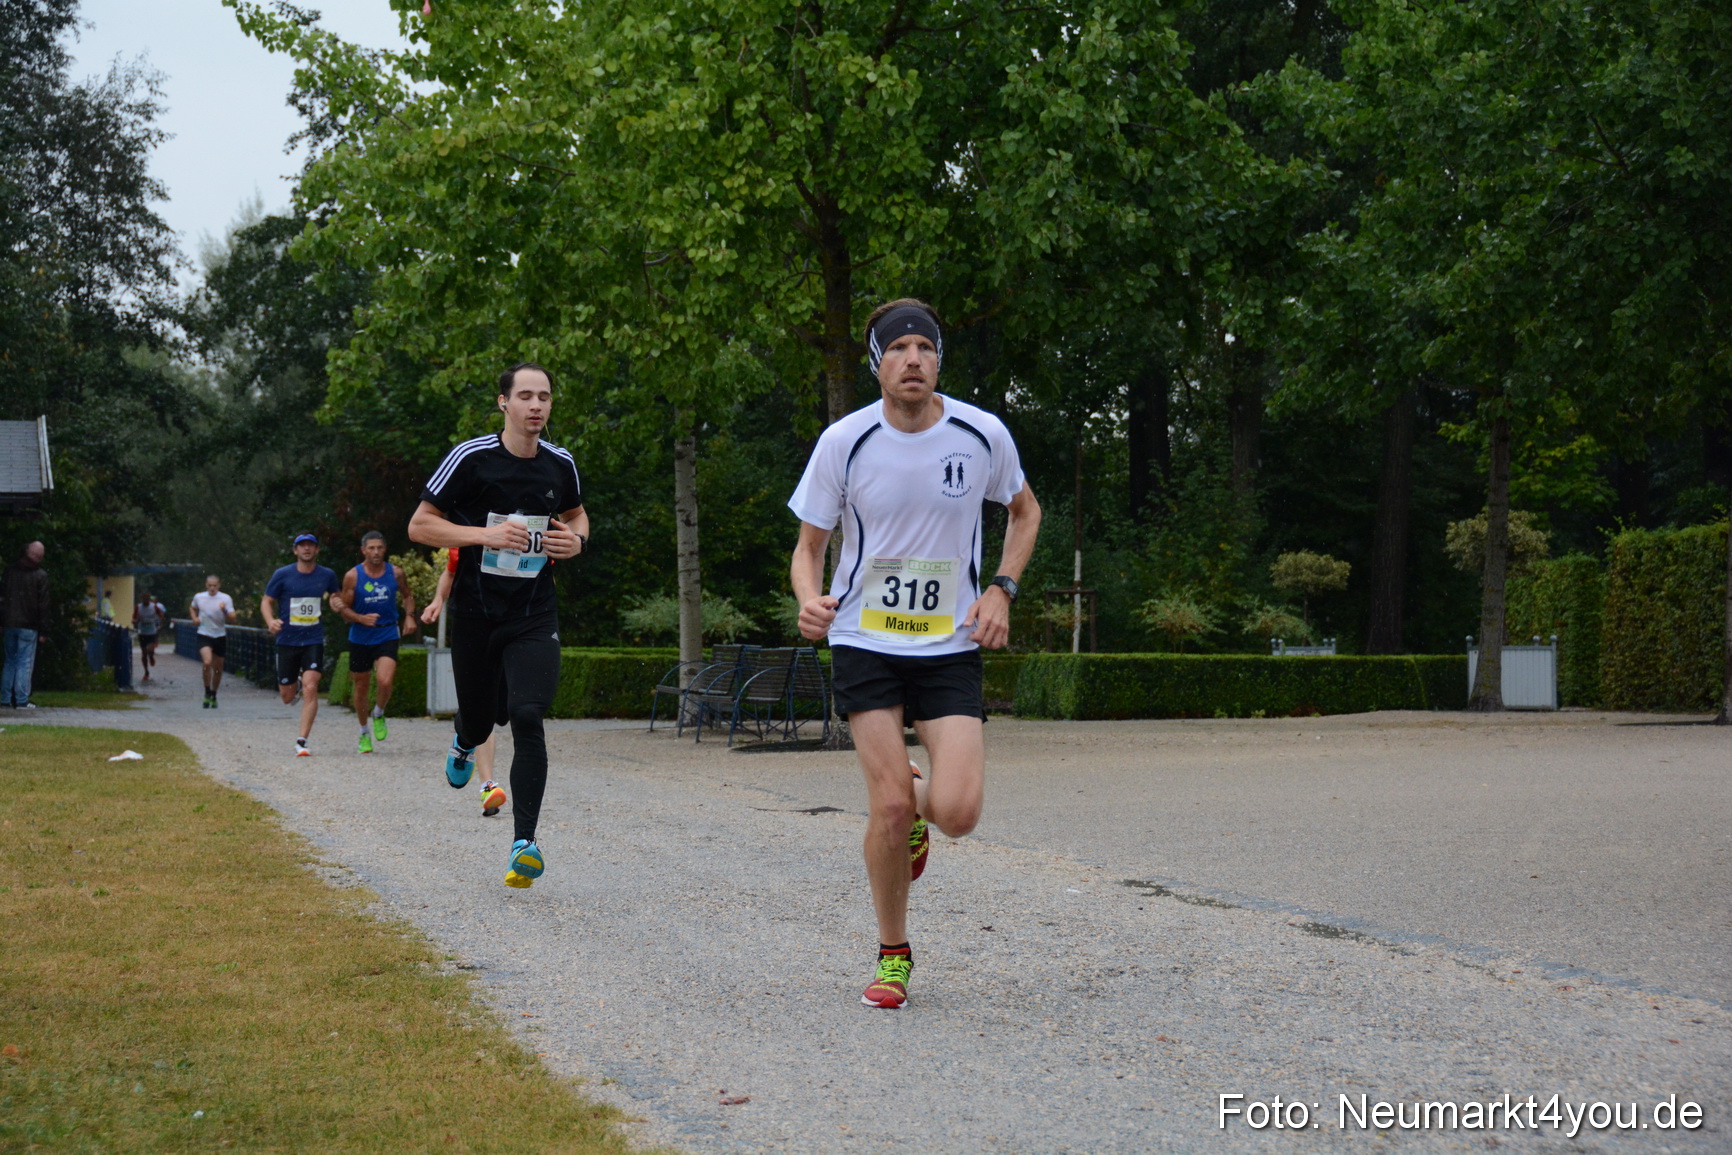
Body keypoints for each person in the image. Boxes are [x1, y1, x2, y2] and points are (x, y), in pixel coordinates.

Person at [788, 298, 1042, 1009]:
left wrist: (1001, 590)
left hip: (950, 643)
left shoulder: (981, 433)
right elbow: (808, 550)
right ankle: (892, 951)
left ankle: (922, 807)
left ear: (938, 361)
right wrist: (809, 598)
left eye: (924, 349)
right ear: (876, 363)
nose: (912, 360)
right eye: (896, 349)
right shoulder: (844, 441)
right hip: (865, 639)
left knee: (957, 811)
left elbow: (1026, 513)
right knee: (890, 806)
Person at [408, 361, 587, 888]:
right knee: (482, 720)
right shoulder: (471, 458)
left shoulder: (560, 464)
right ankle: (464, 741)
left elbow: (578, 516)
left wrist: (576, 542)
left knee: (528, 713)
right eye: (526, 396)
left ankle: (524, 844)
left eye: (545, 397)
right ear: (504, 403)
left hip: (533, 613)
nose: (537, 406)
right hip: (477, 614)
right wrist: (486, 537)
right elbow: (420, 526)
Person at [422, 547, 506, 816]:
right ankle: (488, 785)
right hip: (475, 628)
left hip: (515, 627)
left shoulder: (529, 526)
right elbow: (450, 570)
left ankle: (464, 739)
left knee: (505, 711)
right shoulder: (471, 530)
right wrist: (438, 600)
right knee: (486, 708)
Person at [336, 531, 419, 754]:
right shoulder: (353, 576)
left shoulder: (396, 573)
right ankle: (364, 732)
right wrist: (360, 618)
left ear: (385, 549)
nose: (376, 552)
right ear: (363, 550)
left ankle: (379, 713)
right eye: (371, 548)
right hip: (360, 636)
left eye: (379, 548)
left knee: (384, 680)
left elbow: (408, 595)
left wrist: (410, 615)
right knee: (361, 687)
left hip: (387, 633)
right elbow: (344, 611)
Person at [260, 534, 341, 757]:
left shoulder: (327, 575)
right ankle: (293, 682)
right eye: (302, 546)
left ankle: (302, 741)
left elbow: (336, 596)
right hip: (287, 640)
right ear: (295, 550)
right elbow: (267, 601)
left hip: (313, 639)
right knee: (287, 697)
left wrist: (336, 603)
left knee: (311, 687)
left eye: (311, 546)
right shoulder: (283, 575)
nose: (306, 549)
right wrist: (270, 621)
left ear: (316, 550)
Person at [2, 541, 50, 709]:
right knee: (25, 662)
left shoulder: (10, 572)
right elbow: (43, 605)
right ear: (39, 557)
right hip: (29, 625)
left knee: (10, 661)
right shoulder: (40, 576)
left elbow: (3, 597)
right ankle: (22, 699)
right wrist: (44, 630)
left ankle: (5, 698)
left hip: (9, 623)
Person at [190, 575, 237, 708]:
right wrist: (194, 618)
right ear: (206, 585)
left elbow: (233, 618)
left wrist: (224, 610)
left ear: (219, 585)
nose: (212, 588)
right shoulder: (199, 597)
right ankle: (206, 691)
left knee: (218, 669)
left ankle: (213, 694)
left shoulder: (225, 598)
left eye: (214, 585)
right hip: (204, 634)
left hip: (220, 635)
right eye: (210, 585)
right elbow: (192, 608)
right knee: (207, 662)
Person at [135, 589, 166, 681]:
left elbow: (161, 615)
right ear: (141, 599)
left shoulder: (154, 607)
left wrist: (159, 624)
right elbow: (133, 619)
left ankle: (151, 656)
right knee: (144, 653)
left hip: (152, 631)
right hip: (142, 632)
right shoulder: (138, 607)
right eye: (144, 599)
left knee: (150, 650)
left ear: (149, 599)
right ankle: (146, 671)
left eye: (147, 599)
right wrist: (137, 620)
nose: (145, 601)